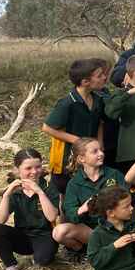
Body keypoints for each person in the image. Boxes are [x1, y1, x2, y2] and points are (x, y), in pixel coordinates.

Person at [0, 149, 60, 270]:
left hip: (44, 235)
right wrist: (6, 195)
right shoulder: (14, 190)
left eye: (38, 167)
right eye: (28, 168)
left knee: (43, 261)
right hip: (22, 236)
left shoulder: (49, 187)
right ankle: (11, 266)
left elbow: (52, 217)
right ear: (17, 169)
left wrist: (39, 192)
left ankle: (38, 258)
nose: (34, 172)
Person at [41, 58, 107, 195]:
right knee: (66, 195)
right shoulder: (67, 103)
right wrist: (77, 141)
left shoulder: (98, 99)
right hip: (67, 159)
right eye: (99, 76)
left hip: (90, 156)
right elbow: (47, 128)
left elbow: (100, 123)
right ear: (85, 82)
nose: (104, 78)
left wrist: (99, 144)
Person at [53, 138, 127, 254]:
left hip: (115, 228)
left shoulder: (114, 174)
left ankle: (107, 249)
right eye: (95, 151)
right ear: (81, 159)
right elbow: (69, 213)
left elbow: (127, 200)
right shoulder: (74, 183)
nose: (101, 154)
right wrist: (83, 209)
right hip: (90, 231)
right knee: (59, 232)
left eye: (101, 150)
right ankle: (83, 251)